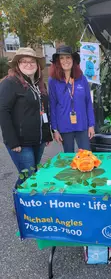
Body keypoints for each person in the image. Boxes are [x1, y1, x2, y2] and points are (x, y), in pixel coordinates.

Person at [0, 47, 53, 187]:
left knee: (33, 173)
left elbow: (44, 110)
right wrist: (12, 141)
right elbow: (3, 112)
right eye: (24, 61)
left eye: (32, 62)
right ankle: (20, 205)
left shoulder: (39, 85)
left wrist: (47, 134)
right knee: (28, 176)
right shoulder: (9, 83)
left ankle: (29, 205)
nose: (28, 64)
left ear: (37, 65)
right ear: (17, 64)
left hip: (38, 139)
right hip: (21, 142)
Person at [48, 45, 95, 152]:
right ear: (57, 61)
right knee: (68, 157)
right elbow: (52, 105)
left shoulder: (81, 78)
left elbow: (88, 102)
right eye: (62, 58)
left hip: (82, 124)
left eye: (68, 57)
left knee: (86, 155)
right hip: (64, 125)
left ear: (73, 59)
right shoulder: (53, 81)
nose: (65, 61)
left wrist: (91, 124)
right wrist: (55, 129)